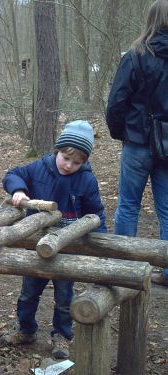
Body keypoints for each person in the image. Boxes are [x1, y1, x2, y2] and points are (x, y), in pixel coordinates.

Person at [0, 120, 107, 359]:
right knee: (28, 292)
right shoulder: (39, 168)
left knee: (64, 297)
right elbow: (13, 174)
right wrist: (18, 190)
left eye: (77, 162)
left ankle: (62, 335)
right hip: (36, 245)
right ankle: (26, 329)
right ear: (57, 150)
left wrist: (102, 245)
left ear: (84, 162)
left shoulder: (86, 181)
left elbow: (96, 213)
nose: (69, 165)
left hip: (67, 248)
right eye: (66, 158)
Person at [106, 0, 168, 284]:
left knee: (128, 205)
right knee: (166, 210)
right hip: (165, 146)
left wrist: (123, 133)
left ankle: (122, 268)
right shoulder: (135, 54)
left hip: (138, 143)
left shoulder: (136, 55)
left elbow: (116, 102)